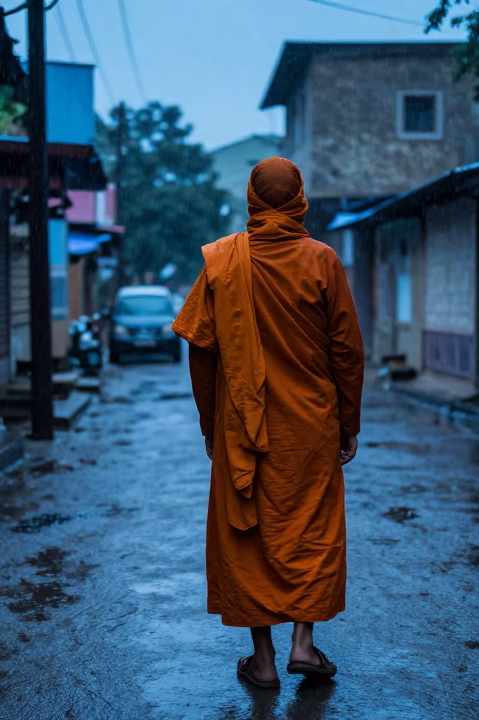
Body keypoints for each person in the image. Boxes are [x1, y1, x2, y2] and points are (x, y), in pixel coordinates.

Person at [173, 157, 365, 689]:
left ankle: (263, 660)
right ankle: (303, 642)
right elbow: (347, 351)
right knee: (310, 531)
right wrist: (348, 421)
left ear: (253, 198)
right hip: (310, 429)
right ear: (298, 196)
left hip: (242, 427)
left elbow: (201, 353)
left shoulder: (222, 262)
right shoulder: (323, 260)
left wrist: (212, 426)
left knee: (248, 536)